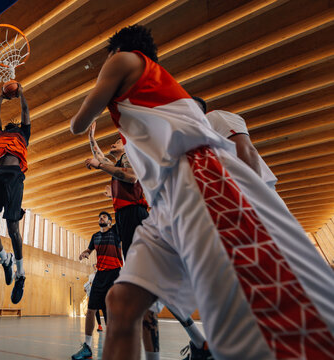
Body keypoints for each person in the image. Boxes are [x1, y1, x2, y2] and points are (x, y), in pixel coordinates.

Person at [70, 25, 334, 360]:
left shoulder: (125, 60)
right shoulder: (138, 119)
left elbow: (76, 124)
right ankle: (197, 342)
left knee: (262, 321)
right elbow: (131, 171)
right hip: (163, 205)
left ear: (120, 50)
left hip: (196, 174)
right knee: (120, 303)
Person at [86, 125, 210, 360]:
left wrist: (100, 164)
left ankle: (199, 342)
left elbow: (130, 176)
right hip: (126, 220)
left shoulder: (131, 157)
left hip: (135, 216)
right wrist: (91, 137)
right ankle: (200, 342)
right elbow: (100, 156)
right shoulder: (117, 163)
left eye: (117, 141)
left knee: (142, 287)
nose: (113, 143)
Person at [0, 84, 30, 304]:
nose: (12, 124)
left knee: (12, 228)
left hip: (13, 176)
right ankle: (5, 259)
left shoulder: (23, 134)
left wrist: (21, 94)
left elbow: (26, 113)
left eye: (14, 124)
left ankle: (21, 274)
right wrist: (0, 97)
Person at [192, 96, 277, 190]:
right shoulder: (187, 139)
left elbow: (247, 150)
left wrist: (254, 191)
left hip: (249, 190)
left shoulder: (213, 117)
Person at [72, 212, 122, 360]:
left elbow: (122, 215)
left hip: (115, 273)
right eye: (99, 217)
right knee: (90, 309)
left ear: (110, 221)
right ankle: (87, 347)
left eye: (104, 217)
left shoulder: (116, 231)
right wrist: (85, 253)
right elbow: (90, 249)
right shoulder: (95, 236)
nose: (101, 218)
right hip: (100, 275)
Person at [84, 264, 104, 332]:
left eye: (96, 266)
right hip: (95, 293)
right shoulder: (91, 276)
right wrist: (86, 288)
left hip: (103, 293)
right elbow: (88, 283)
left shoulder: (103, 274)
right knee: (96, 310)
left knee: (105, 309)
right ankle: (99, 325)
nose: (95, 268)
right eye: (94, 267)